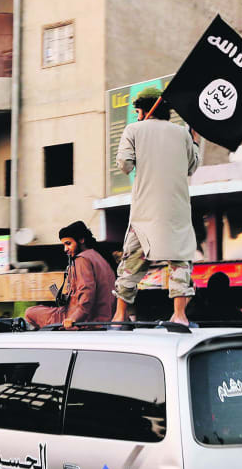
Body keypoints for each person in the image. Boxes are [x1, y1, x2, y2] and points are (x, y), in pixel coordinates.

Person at [112, 87, 202, 326]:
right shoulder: (182, 134)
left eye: (137, 111)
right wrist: (194, 140)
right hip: (177, 211)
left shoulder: (133, 130)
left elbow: (124, 164)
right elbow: (192, 167)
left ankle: (120, 315)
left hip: (145, 212)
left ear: (142, 109)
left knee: (131, 263)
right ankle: (180, 315)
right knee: (179, 261)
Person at [25, 220, 116, 329]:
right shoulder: (98, 257)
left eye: (68, 244)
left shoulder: (82, 260)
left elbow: (87, 291)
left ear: (81, 240)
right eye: (64, 245)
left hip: (82, 320)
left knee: (30, 312)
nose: (65, 249)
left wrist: (74, 318)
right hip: (100, 318)